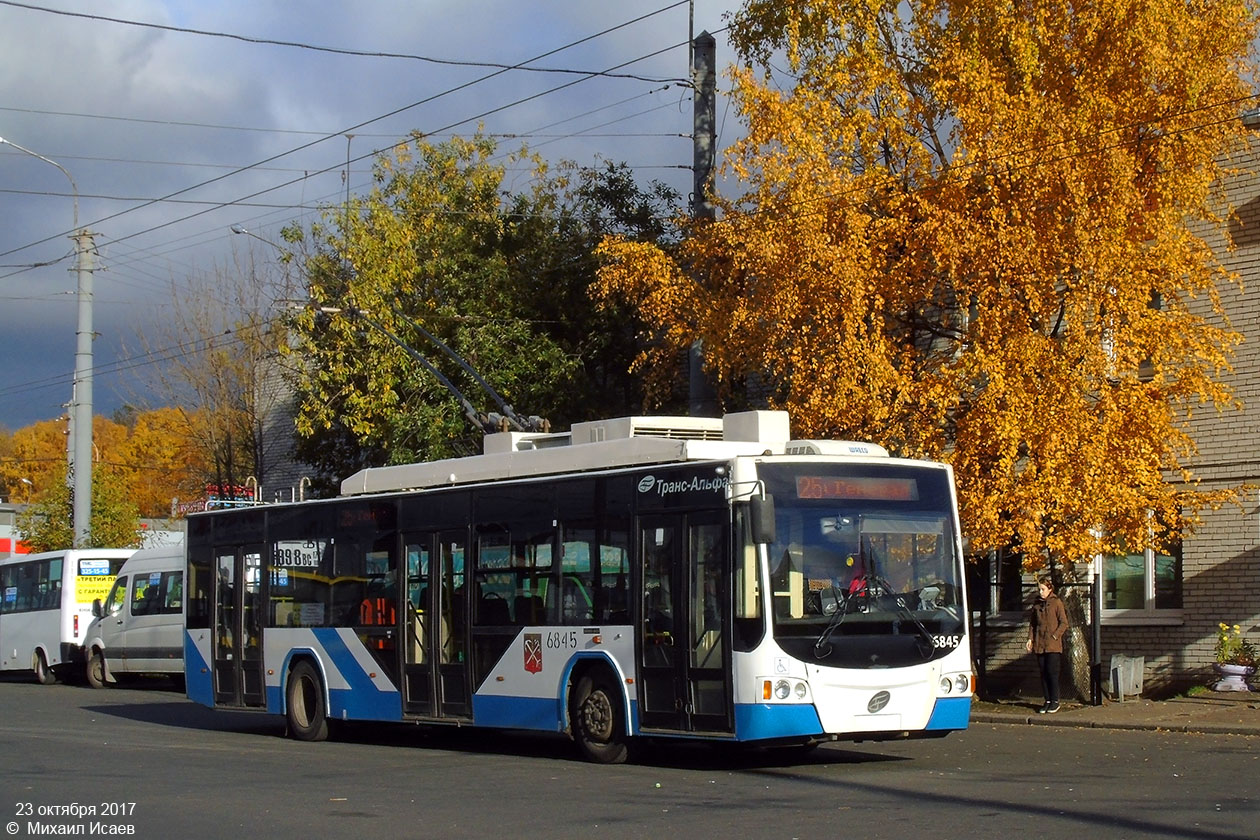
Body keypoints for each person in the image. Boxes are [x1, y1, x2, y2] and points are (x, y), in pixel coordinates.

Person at [1026, 575, 1069, 714]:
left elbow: (1064, 623)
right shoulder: (1037, 604)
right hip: (1040, 643)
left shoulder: (1056, 603)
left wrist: (1055, 635)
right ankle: (1047, 700)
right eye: (1039, 590)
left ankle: (1055, 700)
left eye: (1043, 589)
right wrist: (1030, 639)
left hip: (1052, 645)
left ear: (1049, 589)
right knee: (1043, 673)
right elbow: (1033, 624)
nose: (1041, 592)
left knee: (1052, 672)